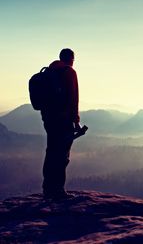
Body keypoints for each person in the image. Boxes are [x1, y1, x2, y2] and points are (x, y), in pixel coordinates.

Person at [41, 48, 81, 199]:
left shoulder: (49, 71)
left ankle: (47, 188)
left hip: (49, 120)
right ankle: (58, 190)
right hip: (63, 121)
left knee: (51, 152)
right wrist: (75, 121)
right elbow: (73, 98)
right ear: (71, 59)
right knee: (62, 155)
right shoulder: (69, 72)